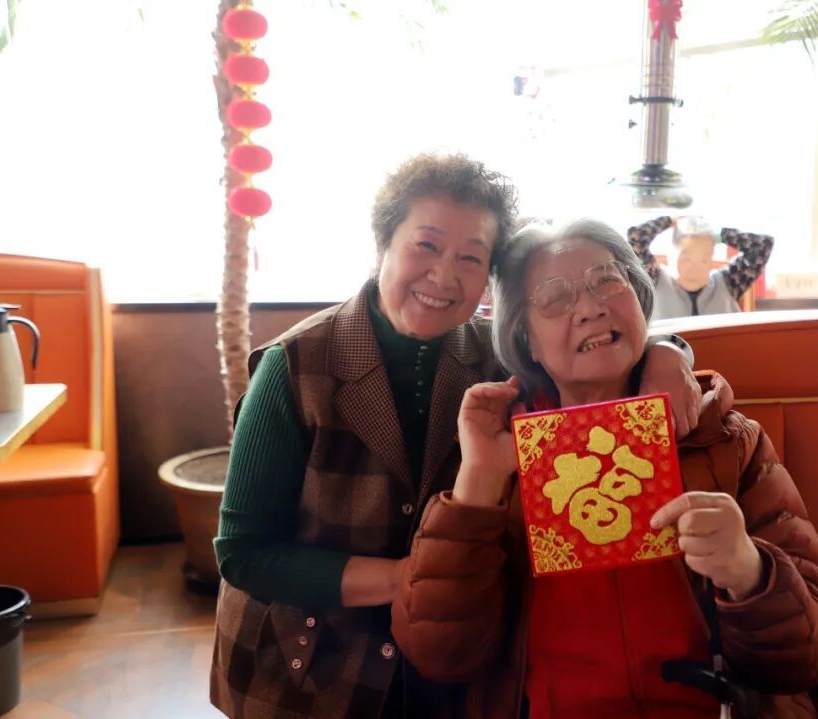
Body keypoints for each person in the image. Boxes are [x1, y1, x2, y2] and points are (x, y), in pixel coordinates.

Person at [209, 155, 704, 719]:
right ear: (384, 244)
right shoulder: (296, 366)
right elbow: (244, 553)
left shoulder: (495, 358)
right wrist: (413, 580)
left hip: (441, 674)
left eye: (471, 258)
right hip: (308, 663)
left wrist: (668, 354)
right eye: (426, 246)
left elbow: (595, 348)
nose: (444, 277)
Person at [392, 219, 818, 718]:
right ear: (527, 340)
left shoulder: (724, 441)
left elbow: (804, 659)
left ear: (640, 299)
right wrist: (479, 482)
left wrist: (749, 572)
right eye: (554, 298)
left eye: (607, 280)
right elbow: (438, 655)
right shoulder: (497, 447)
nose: (590, 307)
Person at [627, 214, 774, 320]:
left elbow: (763, 245)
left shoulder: (729, 283)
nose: (695, 267)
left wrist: (720, 236)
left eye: (703, 259)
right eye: (686, 258)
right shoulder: (654, 280)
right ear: (670, 255)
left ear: (711, 260)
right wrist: (669, 221)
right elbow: (636, 237)